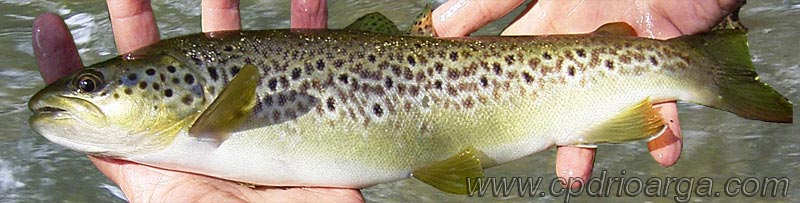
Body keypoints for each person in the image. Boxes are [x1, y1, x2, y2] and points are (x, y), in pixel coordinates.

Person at [32, 0, 741, 201]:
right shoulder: (189, 122)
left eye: (92, 86)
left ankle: (693, 67)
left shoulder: (207, 109)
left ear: (183, 86)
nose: (76, 94)